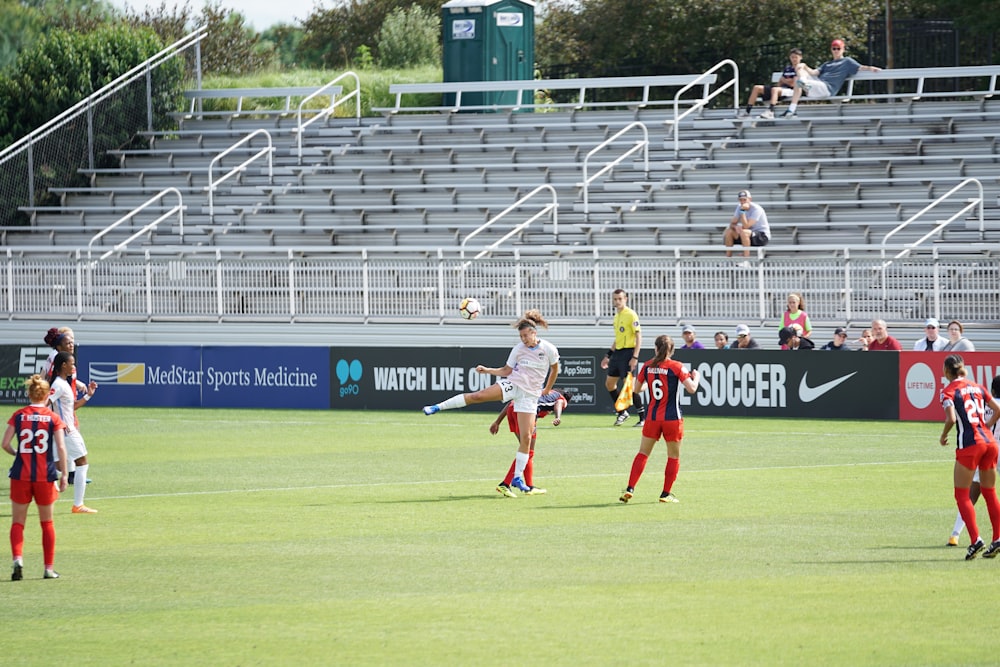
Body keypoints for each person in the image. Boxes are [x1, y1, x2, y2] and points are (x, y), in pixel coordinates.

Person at [423, 310, 559, 494]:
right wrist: (487, 370)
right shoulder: (519, 349)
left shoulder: (548, 349)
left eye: (526, 335)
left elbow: (555, 369)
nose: (524, 339)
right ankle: (437, 406)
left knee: (526, 438)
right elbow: (506, 370)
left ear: (534, 333)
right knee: (477, 396)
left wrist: (548, 389)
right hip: (514, 384)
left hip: (530, 396)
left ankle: (517, 478)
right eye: (521, 336)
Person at [620, 335, 700, 504]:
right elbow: (692, 388)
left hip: (653, 417)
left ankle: (630, 488)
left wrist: (649, 382)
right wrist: (696, 377)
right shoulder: (676, 366)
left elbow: (637, 389)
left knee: (642, 454)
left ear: (656, 348)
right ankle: (665, 494)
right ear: (672, 350)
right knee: (673, 456)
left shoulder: (647, 366)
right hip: (672, 418)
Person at [3, 374, 68, 580]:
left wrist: (18, 453)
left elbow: (4, 443)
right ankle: (48, 568)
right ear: (47, 394)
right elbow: (60, 447)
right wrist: (64, 474)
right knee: (46, 523)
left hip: (20, 475)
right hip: (45, 475)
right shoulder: (52, 418)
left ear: (29, 393)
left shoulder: (19, 415)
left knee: (18, 523)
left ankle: (17, 560)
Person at [938, 355, 1000, 559]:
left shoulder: (948, 391)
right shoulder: (978, 386)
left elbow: (951, 418)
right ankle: (997, 538)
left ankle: (975, 540)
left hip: (969, 446)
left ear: (947, 372)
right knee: (989, 492)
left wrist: (944, 434)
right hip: (990, 443)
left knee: (961, 495)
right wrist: (987, 427)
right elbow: (998, 409)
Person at [490, 389, 572, 498]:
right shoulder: (560, 398)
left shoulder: (543, 393)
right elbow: (559, 403)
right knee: (527, 451)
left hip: (512, 410)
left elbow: (511, 403)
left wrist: (497, 422)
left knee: (526, 451)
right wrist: (558, 417)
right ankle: (505, 484)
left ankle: (529, 487)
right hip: (526, 413)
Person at [949, 375, 1000, 546]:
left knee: (970, 494)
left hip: (983, 447)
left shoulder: (982, 405)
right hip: (992, 449)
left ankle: (956, 534)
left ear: (992, 390)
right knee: (991, 495)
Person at [48, 352, 98, 514]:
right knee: (82, 462)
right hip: (67, 430)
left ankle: (46, 480)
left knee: (57, 465)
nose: (74, 367)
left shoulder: (64, 384)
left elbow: (71, 407)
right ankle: (78, 505)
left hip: (63, 429)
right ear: (63, 365)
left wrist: (88, 396)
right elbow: (45, 403)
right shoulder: (58, 385)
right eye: (72, 363)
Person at [783, 39, 882, 117]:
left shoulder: (847, 61)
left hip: (827, 89)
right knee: (799, 74)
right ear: (831, 50)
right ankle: (792, 109)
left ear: (843, 49)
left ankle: (804, 85)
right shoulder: (827, 64)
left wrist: (870, 68)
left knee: (798, 80)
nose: (836, 51)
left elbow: (860, 67)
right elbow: (814, 72)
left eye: (838, 48)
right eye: (834, 48)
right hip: (818, 85)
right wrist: (804, 65)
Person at [599, 289, 646, 427]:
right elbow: (618, 338)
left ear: (626, 299)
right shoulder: (616, 316)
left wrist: (635, 357)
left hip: (628, 353)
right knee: (609, 384)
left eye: (620, 299)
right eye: (615, 299)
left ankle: (643, 417)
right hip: (618, 353)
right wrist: (608, 355)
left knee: (629, 387)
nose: (617, 301)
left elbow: (638, 336)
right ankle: (622, 412)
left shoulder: (631, 315)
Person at [740, 48, 803, 120]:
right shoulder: (787, 68)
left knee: (775, 89)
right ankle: (747, 112)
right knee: (757, 88)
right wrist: (785, 81)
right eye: (792, 57)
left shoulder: (800, 68)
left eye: (796, 57)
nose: (794, 59)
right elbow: (780, 81)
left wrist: (784, 80)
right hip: (781, 90)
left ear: (800, 57)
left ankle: (770, 111)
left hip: (792, 91)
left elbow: (793, 84)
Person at [723, 190, 770, 258]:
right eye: (740, 200)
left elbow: (746, 225)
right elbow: (732, 224)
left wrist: (742, 211)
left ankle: (746, 259)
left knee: (744, 232)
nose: (742, 202)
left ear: (750, 199)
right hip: (747, 235)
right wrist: (736, 227)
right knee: (729, 231)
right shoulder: (739, 206)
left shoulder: (757, 209)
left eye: (744, 200)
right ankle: (728, 259)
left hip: (761, 236)